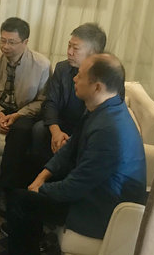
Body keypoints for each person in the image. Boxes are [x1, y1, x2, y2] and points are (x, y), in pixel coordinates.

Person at [0, 54, 146, 255]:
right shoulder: (103, 107)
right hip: (91, 189)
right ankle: (29, 233)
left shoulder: (109, 131)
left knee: (21, 200)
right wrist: (42, 176)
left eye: (80, 76)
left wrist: (40, 190)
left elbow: (75, 187)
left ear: (97, 86)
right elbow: (71, 147)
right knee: (28, 168)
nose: (74, 79)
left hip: (101, 209)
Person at [0, 17, 50, 192]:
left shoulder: (42, 65)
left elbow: (42, 101)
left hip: (24, 111)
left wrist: (18, 115)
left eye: (11, 42)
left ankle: (5, 188)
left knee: (21, 131)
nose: (5, 46)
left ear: (25, 42)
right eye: (2, 40)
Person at [28, 23, 106, 171]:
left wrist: (73, 139)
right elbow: (50, 102)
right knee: (39, 130)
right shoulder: (62, 68)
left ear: (93, 53)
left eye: (75, 48)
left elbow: (101, 116)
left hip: (86, 129)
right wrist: (56, 131)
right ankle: (39, 178)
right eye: (69, 46)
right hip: (62, 124)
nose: (69, 52)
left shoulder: (105, 77)